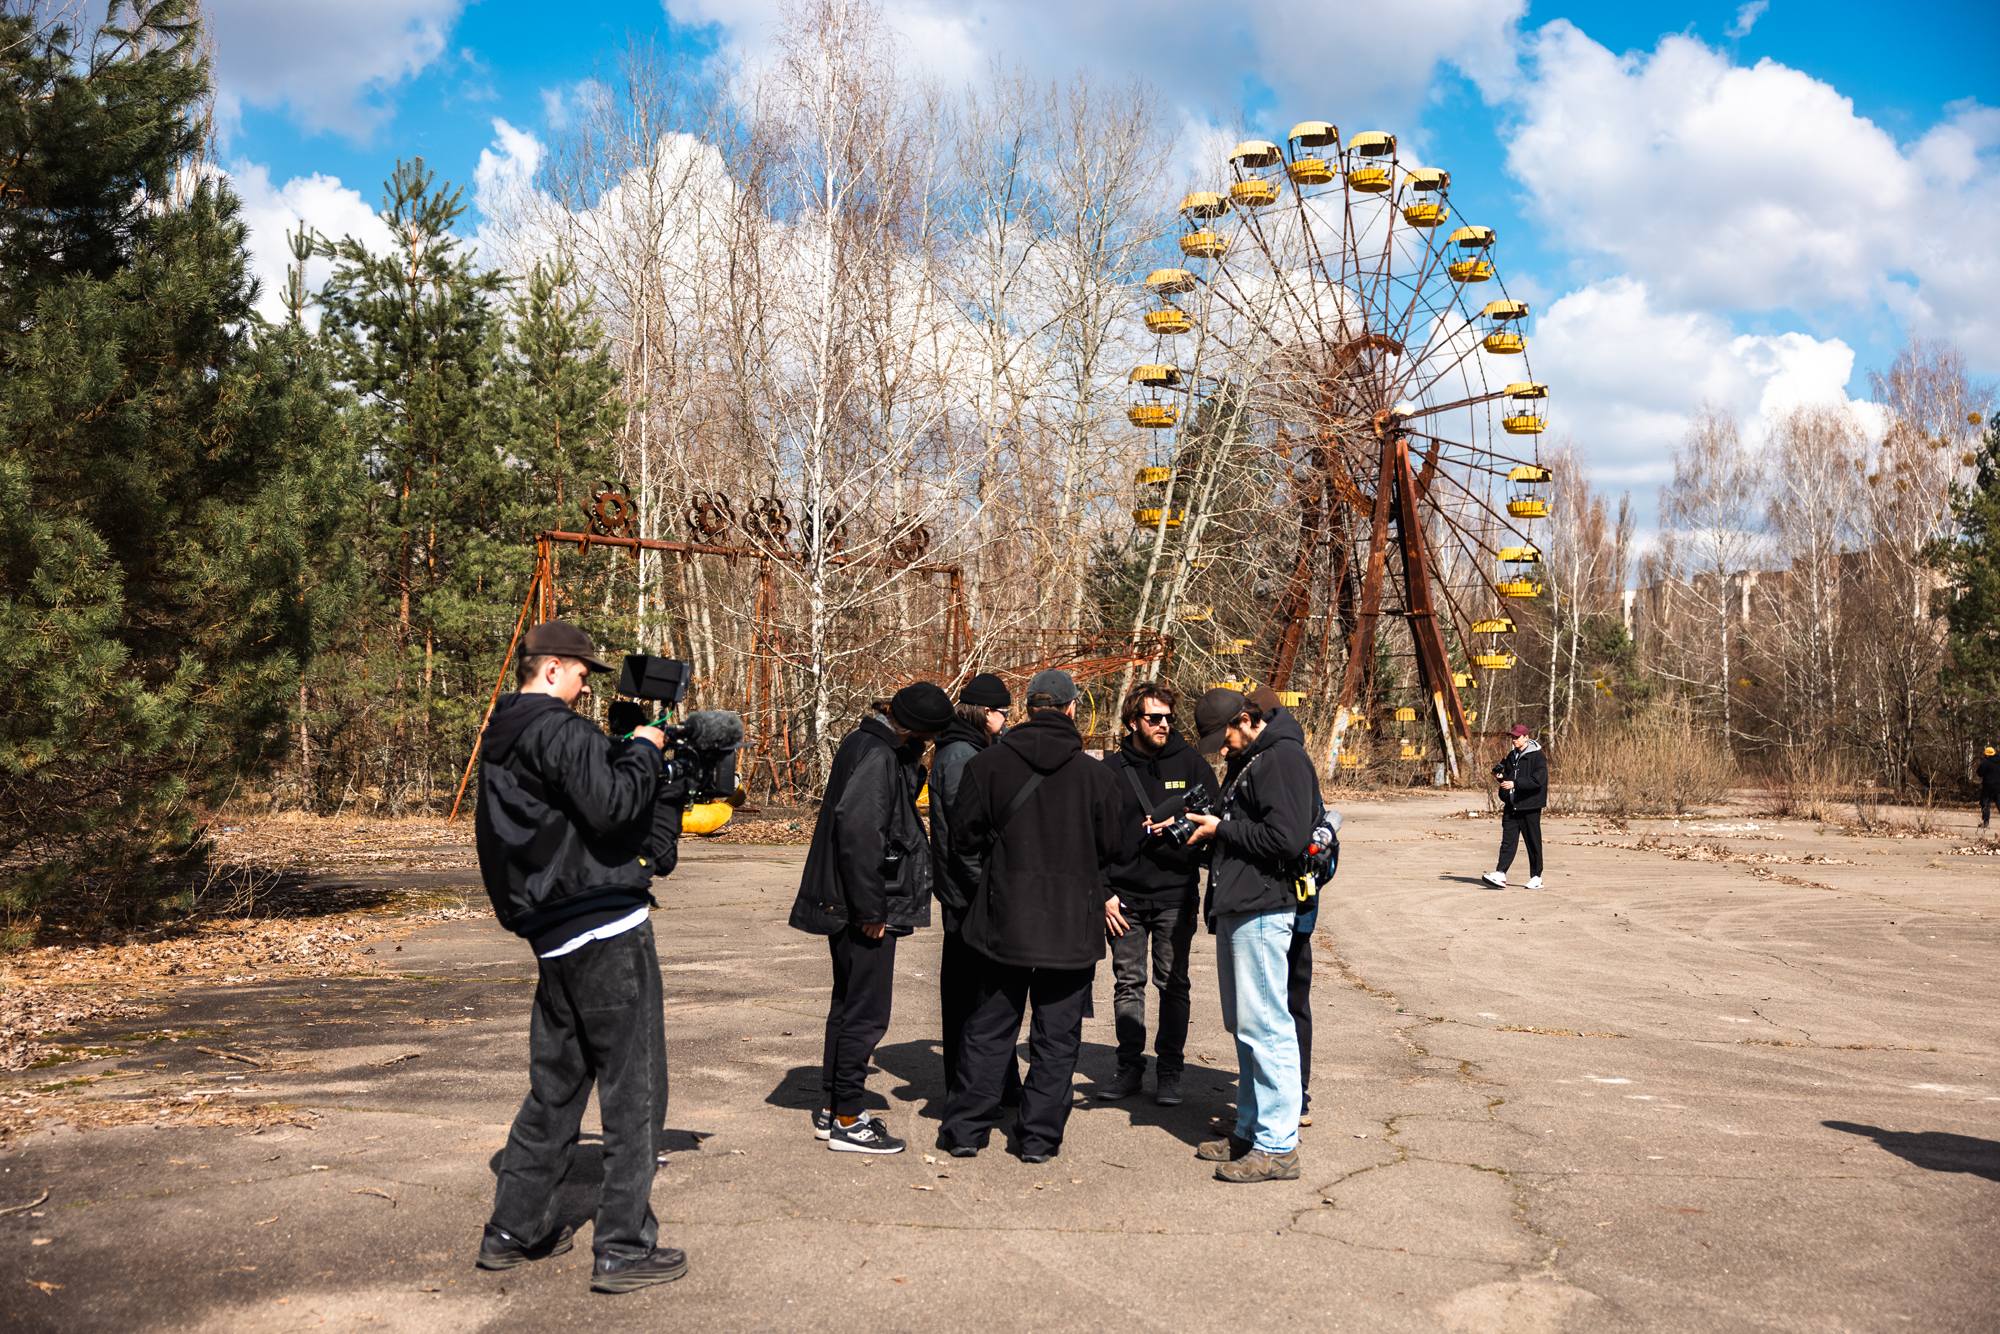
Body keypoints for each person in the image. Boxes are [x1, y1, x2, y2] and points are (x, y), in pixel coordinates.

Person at [473, 619, 688, 1294]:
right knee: (635, 1089)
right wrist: (646, 750)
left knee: (557, 1085)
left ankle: (513, 1228)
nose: (588, 687)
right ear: (555, 669)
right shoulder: (558, 729)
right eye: (584, 675)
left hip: (552, 929)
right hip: (602, 925)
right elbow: (615, 807)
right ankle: (623, 1245)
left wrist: (623, 751)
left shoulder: (503, 736)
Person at [937, 670, 1139, 1163]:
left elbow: (961, 840)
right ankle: (1039, 1138)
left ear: (1027, 709)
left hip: (1002, 923)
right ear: (1072, 709)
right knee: (1056, 1037)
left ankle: (966, 1131)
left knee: (988, 1029)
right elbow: (1116, 849)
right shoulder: (1098, 776)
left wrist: (993, 882)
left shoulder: (988, 767)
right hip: (1070, 928)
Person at [790, 683, 953, 1155]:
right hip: (860, 904)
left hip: (844, 899)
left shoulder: (868, 743)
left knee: (847, 1006)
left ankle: (833, 1105)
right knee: (866, 1011)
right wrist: (871, 909)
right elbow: (861, 832)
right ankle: (846, 1117)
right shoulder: (879, 757)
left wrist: (913, 758)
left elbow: (890, 805)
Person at [1182, 687, 1319, 1184]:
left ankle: (1278, 1146)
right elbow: (1249, 830)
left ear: (1246, 718)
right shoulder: (1253, 759)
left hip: (1263, 908)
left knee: (1267, 1029)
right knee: (1246, 1028)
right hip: (1242, 905)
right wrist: (1208, 833)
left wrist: (1221, 830)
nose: (1222, 747)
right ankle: (1250, 1129)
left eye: (1226, 736)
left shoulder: (1281, 759)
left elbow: (1286, 839)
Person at [1100, 681, 1212, 1107]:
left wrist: (1185, 830)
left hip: (1174, 895)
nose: (1164, 724)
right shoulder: (1110, 771)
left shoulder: (1193, 764)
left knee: (1173, 984)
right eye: (1154, 718)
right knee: (1128, 984)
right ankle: (1129, 1067)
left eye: (1168, 717)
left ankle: (1170, 1072)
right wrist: (1103, 892)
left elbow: (1214, 823)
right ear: (1133, 722)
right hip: (1124, 898)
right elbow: (1093, 836)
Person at [927, 672, 1021, 1105]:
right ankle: (974, 1087)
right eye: (1004, 711)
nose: (1008, 717)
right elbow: (965, 834)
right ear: (987, 713)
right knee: (975, 998)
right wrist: (984, 888)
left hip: (963, 891)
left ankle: (989, 1083)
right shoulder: (963, 756)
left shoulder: (962, 749)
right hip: (968, 896)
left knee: (974, 995)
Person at [1251, 685, 1318, 1128]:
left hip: (1288, 899)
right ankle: (1291, 1097)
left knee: (1284, 1002)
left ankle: (1293, 1101)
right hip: (1298, 897)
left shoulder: (1281, 757)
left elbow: (1289, 837)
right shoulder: (1287, 750)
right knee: (1288, 1000)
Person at [1482, 723, 1547, 889]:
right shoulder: (1512, 755)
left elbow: (1538, 781)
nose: (1514, 740)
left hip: (1530, 806)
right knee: (1508, 841)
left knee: (1532, 842)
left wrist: (1515, 784)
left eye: (1517, 737)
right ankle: (1500, 873)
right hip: (1512, 805)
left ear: (1526, 737)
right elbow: (1506, 776)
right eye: (1512, 737)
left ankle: (1536, 876)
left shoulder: (1537, 757)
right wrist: (1499, 776)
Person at [1980, 746, 1999, 829]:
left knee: (1985, 804)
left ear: (1987, 755)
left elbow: (1979, 773)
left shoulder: (1985, 762)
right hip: (1999, 787)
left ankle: (1986, 822)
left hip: (1988, 787)